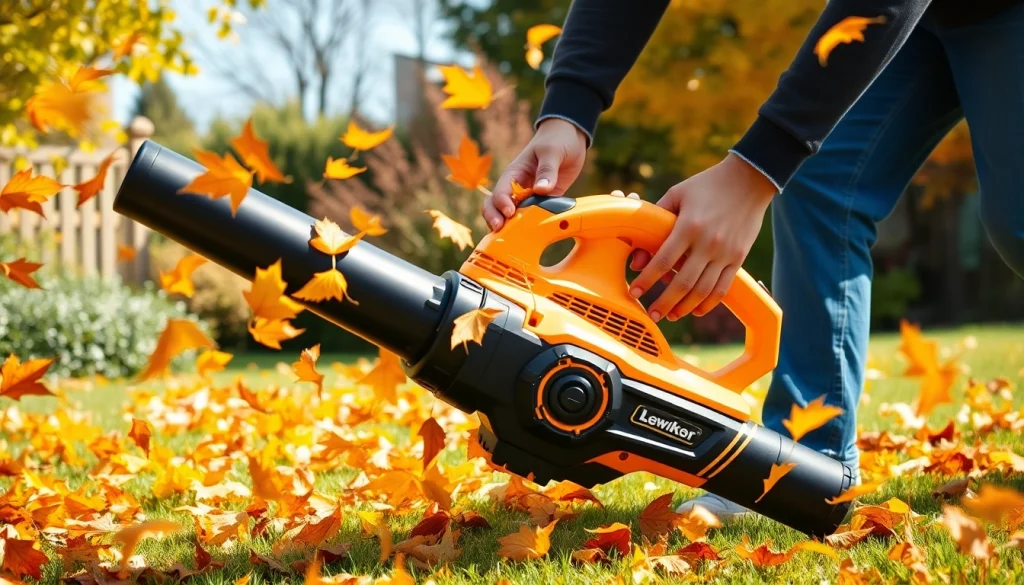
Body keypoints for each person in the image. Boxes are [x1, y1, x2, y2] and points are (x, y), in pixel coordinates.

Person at [482, 0, 1024, 519]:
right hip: (922, 22)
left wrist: (753, 172)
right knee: (818, 184)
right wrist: (567, 113)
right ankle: (804, 465)